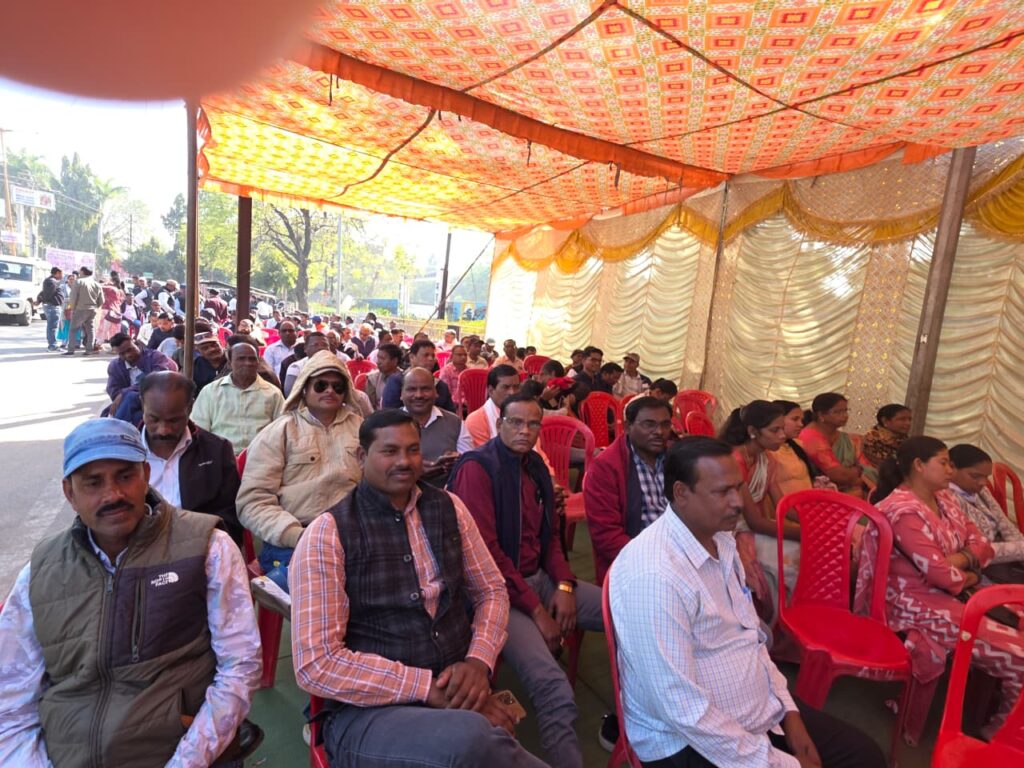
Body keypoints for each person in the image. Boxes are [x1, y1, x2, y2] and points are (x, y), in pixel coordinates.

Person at [610, 436, 886, 768]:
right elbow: (681, 708)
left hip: (759, 710)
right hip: (686, 740)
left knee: (865, 756)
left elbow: (750, 637)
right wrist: (782, 763)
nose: (738, 502)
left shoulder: (722, 542)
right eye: (722, 492)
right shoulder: (655, 575)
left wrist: (790, 713)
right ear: (681, 493)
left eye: (738, 488)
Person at [289, 409, 544, 768]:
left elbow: (491, 590)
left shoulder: (449, 507)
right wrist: (428, 689)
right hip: (369, 713)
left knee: (476, 740)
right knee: (473, 739)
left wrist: (478, 662)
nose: (404, 462)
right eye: (389, 451)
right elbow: (317, 663)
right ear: (361, 457)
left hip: (455, 685)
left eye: (413, 450)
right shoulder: (328, 534)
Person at [0, 419, 262, 766]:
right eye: (93, 482)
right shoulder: (40, 572)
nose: (113, 495)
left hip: (179, 752)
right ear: (69, 493)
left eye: (125, 476)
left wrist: (185, 762)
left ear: (145, 475)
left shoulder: (208, 547)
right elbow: (10, 698)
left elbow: (240, 666)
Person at [449, 395, 603, 768]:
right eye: (516, 422)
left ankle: (647, 718)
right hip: (498, 595)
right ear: (499, 423)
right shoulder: (477, 469)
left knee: (629, 613)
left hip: (541, 579)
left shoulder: (534, 467)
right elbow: (486, 556)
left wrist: (564, 585)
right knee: (553, 688)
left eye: (533, 424)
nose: (525, 431)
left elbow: (550, 539)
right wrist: (537, 611)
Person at [860, 437, 1024, 733]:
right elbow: (942, 576)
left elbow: (982, 543)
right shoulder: (904, 512)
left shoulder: (944, 499)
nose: (951, 470)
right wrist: (972, 574)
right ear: (919, 466)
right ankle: (1000, 734)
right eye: (944, 462)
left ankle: (999, 723)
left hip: (950, 596)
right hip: (912, 603)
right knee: (1020, 658)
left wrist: (959, 559)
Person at [236, 351, 362, 588]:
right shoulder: (280, 431)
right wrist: (297, 535)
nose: (330, 391)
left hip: (354, 537)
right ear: (304, 388)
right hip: (295, 539)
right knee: (318, 590)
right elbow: (252, 502)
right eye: (321, 385)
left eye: (337, 387)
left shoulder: (361, 430)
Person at [140, 371, 244, 545]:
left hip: (200, 547)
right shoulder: (125, 454)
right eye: (154, 419)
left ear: (190, 408)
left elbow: (231, 518)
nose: (163, 430)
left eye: (173, 421)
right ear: (142, 405)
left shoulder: (217, 451)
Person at [719, 401, 799, 617]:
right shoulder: (735, 460)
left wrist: (813, 521)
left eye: (782, 429)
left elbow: (782, 505)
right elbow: (754, 522)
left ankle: (792, 618)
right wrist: (806, 533)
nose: (782, 435)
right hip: (733, 531)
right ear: (752, 431)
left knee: (808, 550)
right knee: (796, 555)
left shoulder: (766, 458)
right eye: (775, 430)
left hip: (755, 527)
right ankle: (783, 619)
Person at [585, 396, 674, 586]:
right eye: (649, 424)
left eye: (665, 425)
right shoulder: (606, 467)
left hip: (678, 551)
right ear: (627, 427)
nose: (659, 432)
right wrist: (656, 561)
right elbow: (607, 536)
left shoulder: (676, 459)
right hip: (635, 560)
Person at [191, 342, 285, 455]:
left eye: (252, 359)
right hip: (220, 456)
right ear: (230, 363)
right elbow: (199, 430)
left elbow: (282, 430)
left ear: (258, 362)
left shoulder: (273, 393)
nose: (247, 363)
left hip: (261, 456)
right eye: (241, 359)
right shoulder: (210, 391)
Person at [949, 443, 1024, 571]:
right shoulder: (947, 498)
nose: (983, 482)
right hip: (980, 566)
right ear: (951, 467)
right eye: (975, 476)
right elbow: (976, 550)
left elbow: (1005, 524)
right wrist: (1020, 550)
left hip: (1004, 554)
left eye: (986, 477)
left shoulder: (980, 491)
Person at [798, 393, 870, 498]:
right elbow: (838, 475)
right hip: (820, 495)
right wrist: (858, 471)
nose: (845, 415)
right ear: (821, 415)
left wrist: (858, 475)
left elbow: (867, 468)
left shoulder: (850, 439)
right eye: (837, 412)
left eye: (845, 410)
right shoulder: (809, 436)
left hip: (854, 490)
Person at [401, 367, 462, 486]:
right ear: (401, 394)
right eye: (412, 389)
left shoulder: (455, 423)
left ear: (436, 392)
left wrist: (457, 462)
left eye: (425, 389)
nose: (419, 395)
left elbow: (469, 465)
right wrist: (412, 471)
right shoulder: (387, 426)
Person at [457, 364, 520, 452]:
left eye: (516, 387)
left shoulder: (525, 414)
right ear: (491, 391)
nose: (512, 392)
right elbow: (486, 457)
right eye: (506, 387)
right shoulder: (476, 420)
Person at [770, 400, 826, 498]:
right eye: (795, 419)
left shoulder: (797, 445)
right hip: (784, 505)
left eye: (801, 420)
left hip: (806, 503)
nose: (801, 424)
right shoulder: (768, 451)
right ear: (778, 420)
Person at [381, 339, 455, 411]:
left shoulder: (440, 386)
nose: (430, 359)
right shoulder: (396, 382)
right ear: (412, 357)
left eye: (432, 356)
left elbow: (449, 413)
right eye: (426, 355)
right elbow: (389, 412)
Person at [106, 331, 177, 404]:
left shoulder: (155, 357)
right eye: (122, 354)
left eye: (130, 349)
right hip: (129, 404)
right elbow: (114, 392)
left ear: (136, 344)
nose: (128, 355)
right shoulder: (115, 366)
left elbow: (157, 379)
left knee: (130, 397)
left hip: (156, 401)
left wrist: (125, 393)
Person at [62, 265, 103, 356]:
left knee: (73, 329)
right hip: (92, 310)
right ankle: (89, 350)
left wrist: (72, 308)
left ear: (83, 272)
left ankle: (71, 350)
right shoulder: (97, 284)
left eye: (80, 271)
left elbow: (73, 297)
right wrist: (95, 306)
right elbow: (101, 300)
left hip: (80, 309)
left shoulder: (78, 282)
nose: (79, 273)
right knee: (90, 330)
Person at [862, 404, 912, 477]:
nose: (908, 423)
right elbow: (883, 468)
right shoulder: (872, 440)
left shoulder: (904, 439)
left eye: (909, 419)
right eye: (902, 419)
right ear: (885, 421)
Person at [284, 331, 330, 396]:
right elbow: (290, 395)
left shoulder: (336, 366)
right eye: (316, 345)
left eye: (325, 345)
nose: (321, 348)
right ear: (305, 348)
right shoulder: (296, 367)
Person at [365, 342, 402, 410]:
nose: (378, 362)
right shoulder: (372, 379)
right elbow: (369, 407)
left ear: (395, 361)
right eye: (378, 358)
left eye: (382, 359)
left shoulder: (406, 379)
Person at [36, 266, 64, 351]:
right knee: (52, 327)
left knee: (52, 326)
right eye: (61, 274)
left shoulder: (51, 281)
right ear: (57, 273)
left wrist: (39, 299)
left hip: (52, 306)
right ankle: (52, 345)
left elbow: (44, 292)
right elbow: (47, 294)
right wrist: (41, 300)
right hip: (52, 306)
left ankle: (52, 344)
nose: (62, 276)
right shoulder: (51, 281)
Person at [95, 278, 125, 349]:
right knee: (114, 331)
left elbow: (97, 286)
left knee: (103, 329)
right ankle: (114, 347)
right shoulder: (121, 291)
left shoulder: (110, 288)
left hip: (108, 311)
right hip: (116, 312)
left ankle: (98, 345)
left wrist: (105, 283)